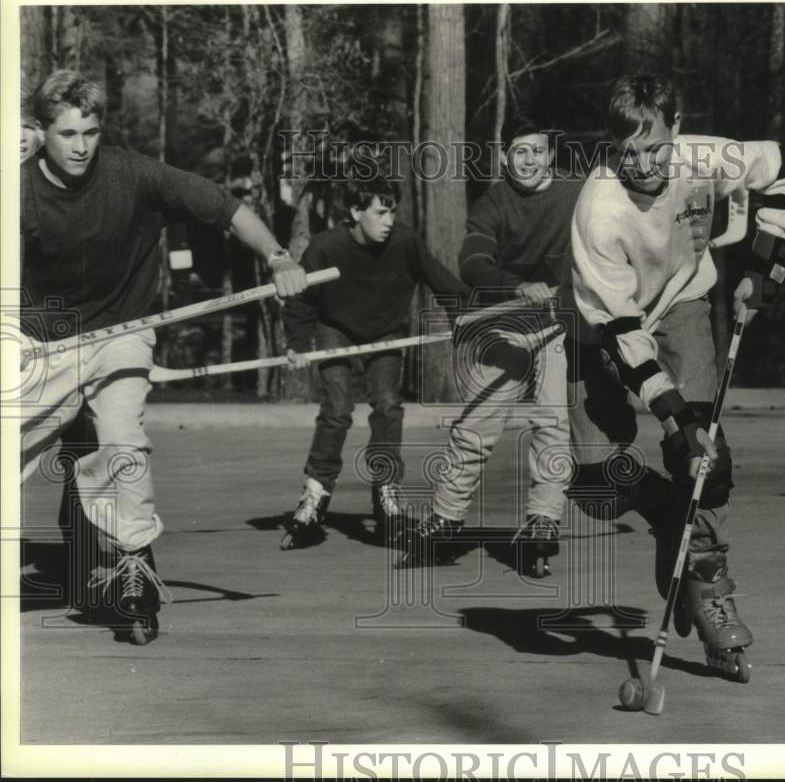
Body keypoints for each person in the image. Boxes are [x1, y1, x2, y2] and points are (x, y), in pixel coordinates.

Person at [19, 69, 309, 645]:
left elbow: (223, 208)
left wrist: (278, 258)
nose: (81, 147)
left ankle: (133, 563)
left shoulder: (133, 174)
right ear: (40, 132)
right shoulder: (18, 189)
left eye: (91, 132)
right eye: (68, 134)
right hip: (42, 343)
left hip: (123, 331)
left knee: (123, 440)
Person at [565, 73, 785, 675]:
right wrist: (672, 414)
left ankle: (708, 592)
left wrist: (764, 264)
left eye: (656, 148)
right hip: (604, 328)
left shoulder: (708, 156)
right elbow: (624, 337)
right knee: (595, 483)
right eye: (627, 153)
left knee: (704, 458)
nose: (644, 166)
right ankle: (665, 512)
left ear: (678, 127)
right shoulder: (598, 211)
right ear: (609, 142)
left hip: (682, 307)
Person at [397, 112, 583, 577]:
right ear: (505, 157)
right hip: (502, 325)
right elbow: (474, 262)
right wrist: (515, 285)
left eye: (537, 150)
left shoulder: (577, 193)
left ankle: (543, 521)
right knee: (476, 427)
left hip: (556, 325)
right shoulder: (492, 204)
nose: (529, 160)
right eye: (520, 151)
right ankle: (445, 519)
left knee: (552, 423)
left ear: (551, 154)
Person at [281, 174, 469, 549]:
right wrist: (298, 344)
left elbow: (438, 277)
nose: (388, 220)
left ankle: (386, 494)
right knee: (336, 408)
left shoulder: (403, 242)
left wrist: (463, 313)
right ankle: (315, 496)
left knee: (387, 404)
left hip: (384, 330)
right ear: (354, 211)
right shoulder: (325, 247)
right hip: (335, 328)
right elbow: (300, 299)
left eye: (392, 212)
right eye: (380, 212)